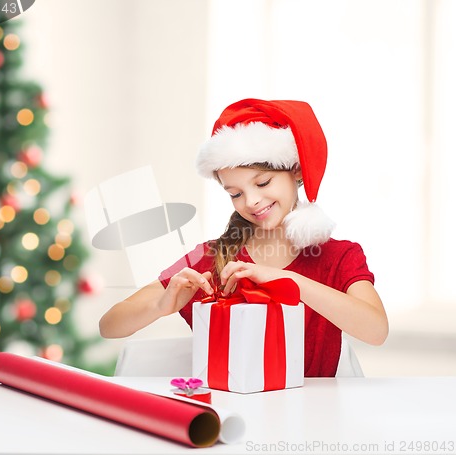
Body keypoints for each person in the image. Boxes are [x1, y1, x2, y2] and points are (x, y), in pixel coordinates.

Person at [99, 98, 388, 377]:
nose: (250, 201)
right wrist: (160, 306)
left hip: (314, 419)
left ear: (296, 171)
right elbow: (109, 325)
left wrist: (289, 282)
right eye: (235, 194)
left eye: (263, 182)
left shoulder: (338, 257)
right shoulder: (213, 258)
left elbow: (376, 330)